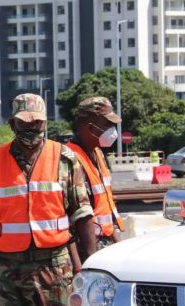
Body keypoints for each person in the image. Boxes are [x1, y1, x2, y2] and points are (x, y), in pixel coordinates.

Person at [0, 93, 97, 306]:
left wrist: (91, 266)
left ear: (45, 122)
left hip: (53, 268)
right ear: (13, 124)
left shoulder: (65, 159)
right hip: (4, 270)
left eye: (37, 122)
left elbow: (83, 214)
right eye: (24, 123)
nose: (31, 128)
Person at [66, 96, 125, 262]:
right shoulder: (70, 159)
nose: (112, 130)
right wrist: (84, 263)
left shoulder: (98, 153)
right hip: (85, 248)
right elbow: (70, 216)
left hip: (104, 243)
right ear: (88, 125)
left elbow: (106, 206)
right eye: (107, 124)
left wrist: (117, 244)